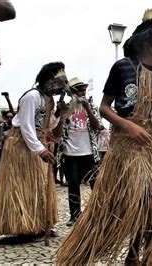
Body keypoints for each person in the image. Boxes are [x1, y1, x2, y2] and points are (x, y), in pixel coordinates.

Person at [56, 8, 152, 265]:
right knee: (143, 207)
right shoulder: (122, 67)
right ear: (147, 39)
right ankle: (99, 252)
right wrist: (129, 126)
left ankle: (135, 256)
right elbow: (104, 108)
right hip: (127, 151)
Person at [0, 62, 68, 239]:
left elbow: (49, 130)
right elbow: (26, 126)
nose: (60, 88)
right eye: (58, 83)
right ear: (49, 81)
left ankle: (38, 224)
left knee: (37, 187)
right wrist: (40, 150)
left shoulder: (49, 101)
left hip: (36, 145)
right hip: (20, 145)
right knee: (20, 186)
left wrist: (62, 115)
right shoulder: (32, 96)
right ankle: (19, 226)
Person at [55, 77, 101, 226]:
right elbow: (56, 133)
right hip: (70, 153)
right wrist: (62, 116)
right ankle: (75, 215)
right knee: (73, 183)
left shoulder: (91, 107)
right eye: (79, 90)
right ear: (72, 92)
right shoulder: (66, 108)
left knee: (95, 182)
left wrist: (87, 108)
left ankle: (97, 212)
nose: (82, 92)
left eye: (84, 89)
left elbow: (97, 127)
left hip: (89, 152)